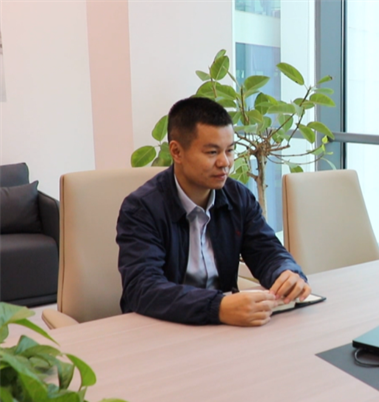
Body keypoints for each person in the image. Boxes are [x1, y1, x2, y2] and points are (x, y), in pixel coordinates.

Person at [117, 97, 310, 327]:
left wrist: (286, 273)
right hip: (162, 328)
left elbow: (267, 251)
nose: (225, 162)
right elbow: (143, 288)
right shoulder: (142, 208)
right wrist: (217, 307)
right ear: (176, 152)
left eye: (230, 150)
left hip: (223, 326)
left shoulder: (238, 197)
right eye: (212, 152)